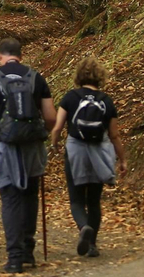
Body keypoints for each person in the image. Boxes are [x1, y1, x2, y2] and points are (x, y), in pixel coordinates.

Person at [0, 37, 55, 273]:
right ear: (21, 55)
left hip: (3, 146)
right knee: (30, 194)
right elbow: (51, 118)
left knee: (10, 197)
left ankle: (14, 258)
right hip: (32, 146)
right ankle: (28, 252)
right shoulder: (36, 77)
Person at [51, 58, 127, 258]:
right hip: (99, 152)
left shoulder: (70, 97)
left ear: (79, 76)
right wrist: (122, 160)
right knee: (94, 200)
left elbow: (58, 127)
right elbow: (114, 135)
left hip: (75, 150)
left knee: (76, 199)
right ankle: (92, 245)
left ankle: (84, 227)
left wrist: (55, 143)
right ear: (100, 77)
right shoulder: (106, 100)